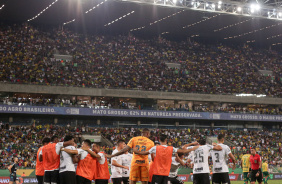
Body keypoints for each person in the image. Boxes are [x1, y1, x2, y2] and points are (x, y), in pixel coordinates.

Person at [133, 134, 199, 184]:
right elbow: (184, 151)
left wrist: (136, 151)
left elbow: (144, 153)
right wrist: (194, 148)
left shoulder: (155, 148)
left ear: (159, 140)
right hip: (166, 174)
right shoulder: (171, 148)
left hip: (157, 174)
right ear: (166, 140)